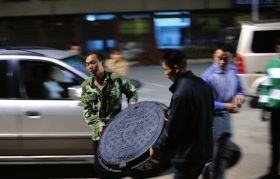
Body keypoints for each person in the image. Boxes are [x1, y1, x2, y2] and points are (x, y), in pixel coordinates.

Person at [149, 49, 214, 179]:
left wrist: (156, 147)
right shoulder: (203, 84)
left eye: (165, 69)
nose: (165, 74)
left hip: (186, 156)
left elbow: (173, 128)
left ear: (176, 68)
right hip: (203, 152)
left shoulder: (182, 93)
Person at [81, 51, 138, 178]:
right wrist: (98, 124)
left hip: (116, 132)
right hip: (98, 134)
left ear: (102, 62)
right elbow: (87, 110)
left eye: (93, 62)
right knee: (100, 169)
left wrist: (132, 105)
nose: (90, 66)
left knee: (117, 169)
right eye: (87, 64)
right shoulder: (86, 86)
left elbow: (132, 92)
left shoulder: (116, 79)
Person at [201, 49, 246, 179]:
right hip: (212, 121)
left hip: (227, 119)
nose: (221, 61)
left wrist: (240, 95)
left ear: (230, 57)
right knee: (210, 159)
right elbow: (205, 101)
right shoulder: (207, 76)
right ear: (214, 57)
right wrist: (225, 105)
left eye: (225, 58)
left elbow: (240, 88)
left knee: (223, 157)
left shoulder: (233, 70)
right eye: (218, 58)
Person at [258, 40, 280, 179]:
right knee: (275, 142)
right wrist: (264, 107)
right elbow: (265, 86)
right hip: (275, 110)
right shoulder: (271, 64)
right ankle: (274, 170)